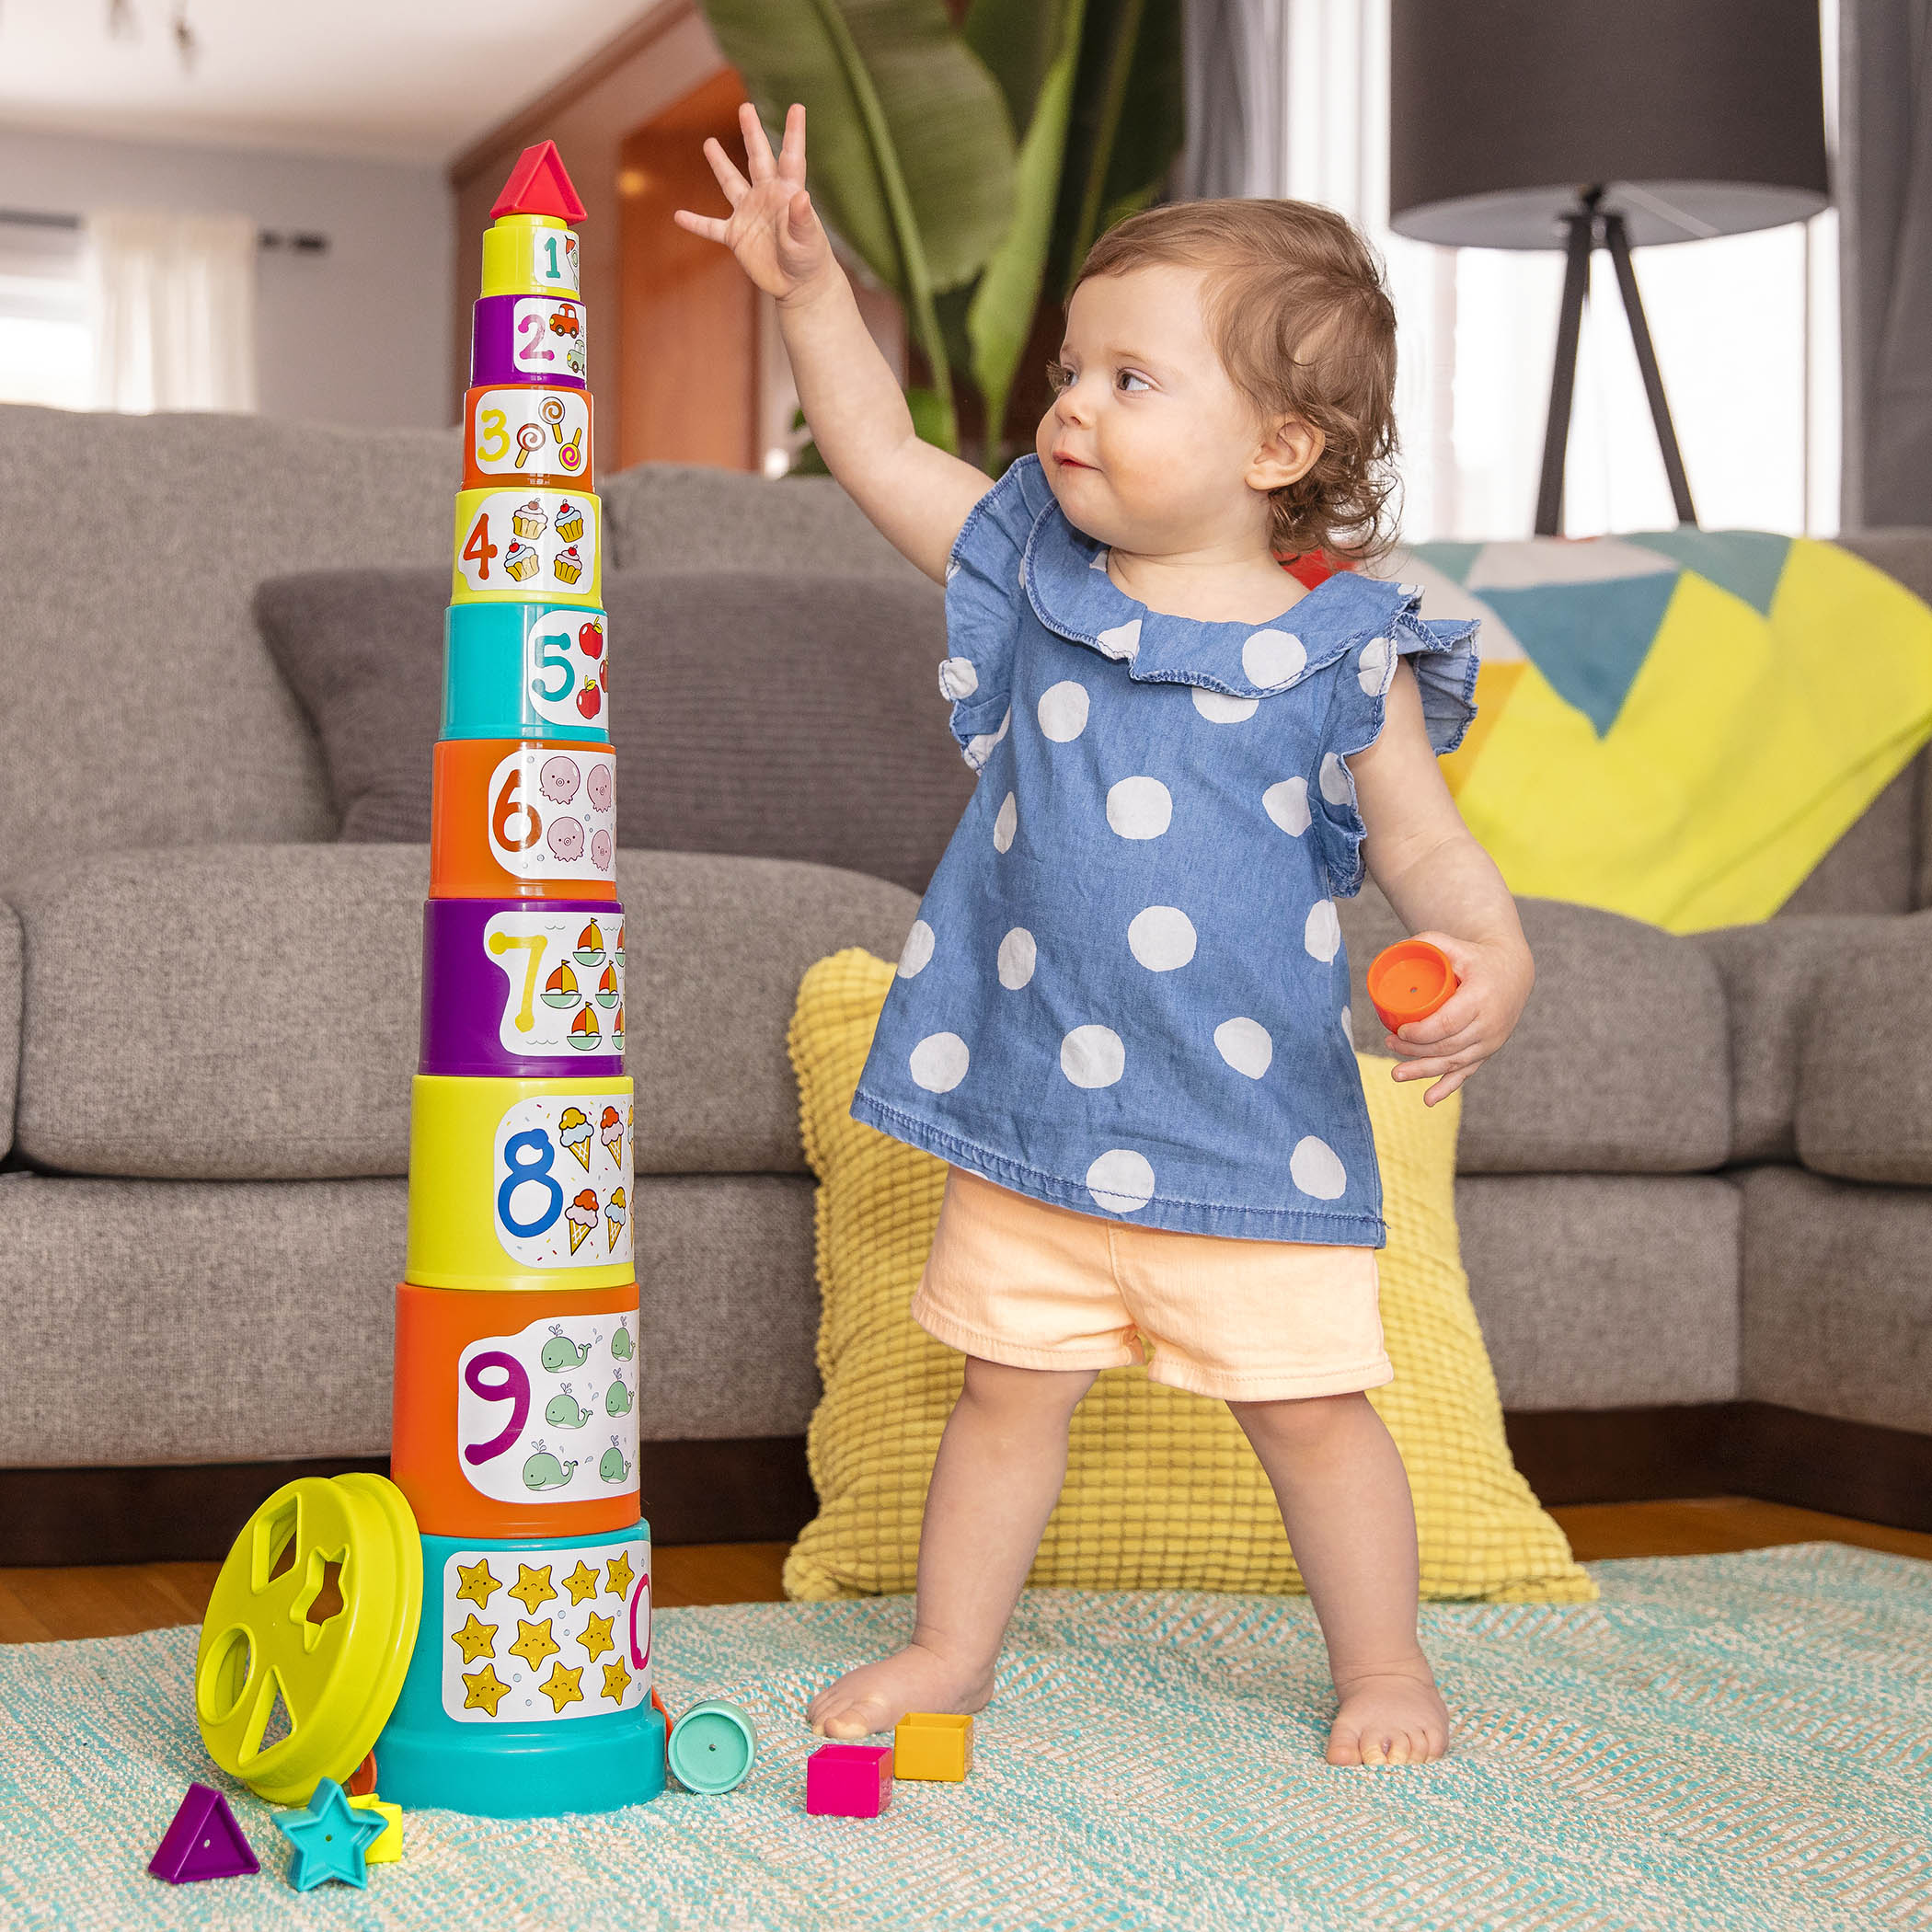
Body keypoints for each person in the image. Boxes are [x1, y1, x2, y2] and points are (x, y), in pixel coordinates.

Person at [677, 103, 1533, 1768]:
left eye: (1132, 379)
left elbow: (1427, 846)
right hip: (1035, 1114)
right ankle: (951, 1651)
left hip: (1249, 1133)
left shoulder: (1349, 655)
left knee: (1314, 1416)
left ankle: (1383, 1668)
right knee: (1005, 1398)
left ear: (1278, 447)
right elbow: (880, 452)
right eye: (1073, 368)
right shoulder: (1041, 580)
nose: (1072, 403)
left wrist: (1493, 953)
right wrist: (810, 293)